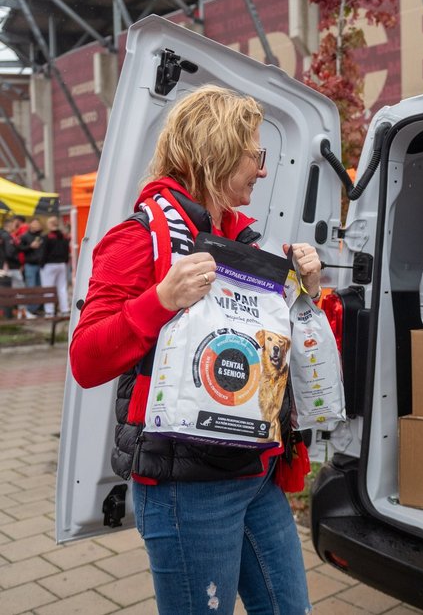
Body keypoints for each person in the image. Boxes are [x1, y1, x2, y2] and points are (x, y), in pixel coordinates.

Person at [70, 85, 320, 614]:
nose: (263, 170)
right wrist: (160, 299)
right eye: (256, 155)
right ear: (218, 150)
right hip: (187, 489)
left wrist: (308, 293)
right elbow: (86, 359)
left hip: (257, 474)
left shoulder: (246, 245)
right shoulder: (135, 240)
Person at [40, 216, 70, 315]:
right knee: (62, 288)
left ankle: (49, 311)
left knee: (48, 288)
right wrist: (65, 261)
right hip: (61, 264)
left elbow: (44, 252)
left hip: (49, 264)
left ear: (50, 224)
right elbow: (67, 250)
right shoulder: (64, 236)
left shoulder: (47, 236)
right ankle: (65, 309)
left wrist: (42, 264)